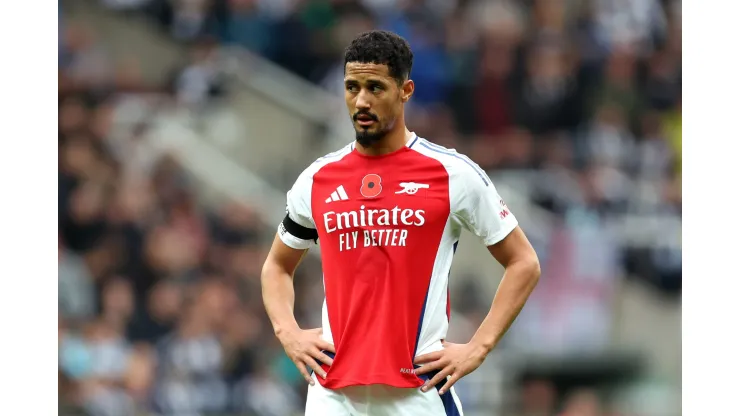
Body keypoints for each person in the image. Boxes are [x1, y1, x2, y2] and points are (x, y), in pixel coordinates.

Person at [261, 30, 541, 415]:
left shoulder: (452, 173)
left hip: (418, 393)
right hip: (332, 395)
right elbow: (277, 265)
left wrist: (478, 347)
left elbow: (524, 262)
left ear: (406, 90)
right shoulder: (318, 179)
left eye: (375, 87)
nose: (361, 100)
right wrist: (288, 333)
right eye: (352, 86)